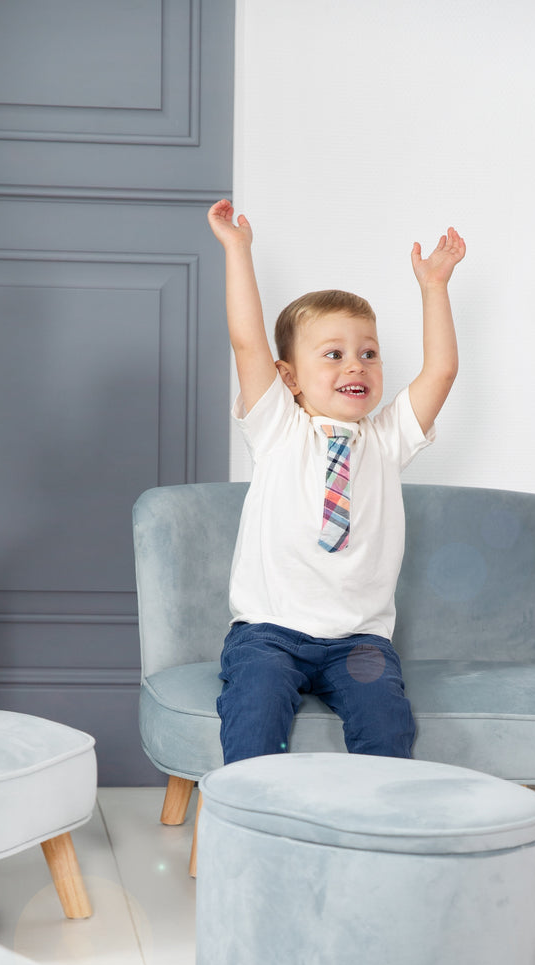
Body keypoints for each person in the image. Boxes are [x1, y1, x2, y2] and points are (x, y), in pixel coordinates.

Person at [206, 198, 465, 764]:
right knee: (253, 720)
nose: (356, 366)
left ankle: (373, 834)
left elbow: (441, 370)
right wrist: (237, 250)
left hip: (360, 641)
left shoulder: (388, 437)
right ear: (290, 378)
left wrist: (434, 287)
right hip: (269, 634)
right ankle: (257, 827)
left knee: (387, 731)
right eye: (334, 355)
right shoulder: (277, 426)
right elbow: (248, 341)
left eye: (369, 353)